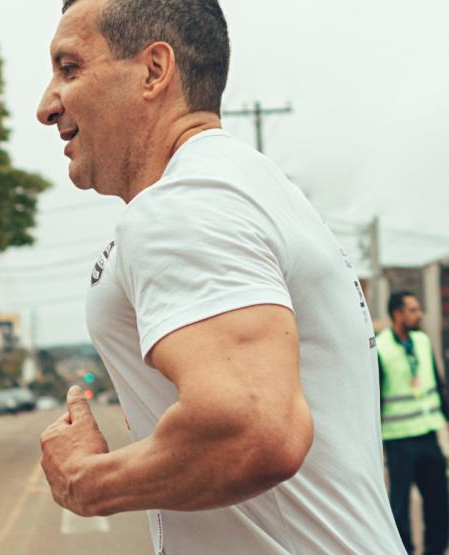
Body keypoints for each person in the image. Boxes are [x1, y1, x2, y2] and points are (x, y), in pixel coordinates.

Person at [36, 0, 404, 553]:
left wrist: (85, 482)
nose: (46, 106)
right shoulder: (247, 184)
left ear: (154, 71)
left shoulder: (184, 204)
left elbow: (254, 430)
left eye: (70, 69)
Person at [378, 291, 449, 555]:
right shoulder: (381, 348)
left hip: (428, 434)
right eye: (412, 310)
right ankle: (404, 550)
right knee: (400, 504)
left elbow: (437, 381)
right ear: (397, 314)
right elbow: (375, 398)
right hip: (398, 439)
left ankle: (435, 550)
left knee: (438, 500)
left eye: (418, 309)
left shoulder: (423, 341)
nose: (419, 314)